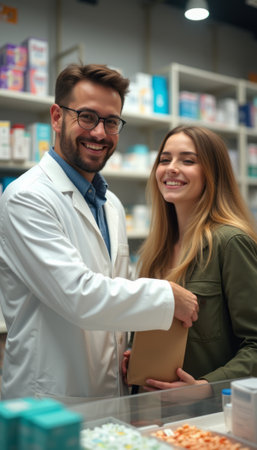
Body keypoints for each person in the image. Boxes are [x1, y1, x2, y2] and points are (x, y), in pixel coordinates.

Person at [0, 65, 198, 404]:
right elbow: (78, 295)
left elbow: (112, 294)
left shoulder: (112, 205)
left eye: (111, 122)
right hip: (48, 398)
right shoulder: (27, 197)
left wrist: (127, 353)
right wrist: (166, 296)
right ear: (57, 117)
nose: (100, 133)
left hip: (110, 395)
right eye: (87, 117)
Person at [124, 124, 257, 393]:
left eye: (188, 160)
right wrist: (137, 357)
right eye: (164, 159)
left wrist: (205, 386)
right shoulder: (156, 250)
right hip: (148, 413)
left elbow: (254, 345)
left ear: (213, 173)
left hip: (208, 417)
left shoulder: (230, 242)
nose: (171, 168)